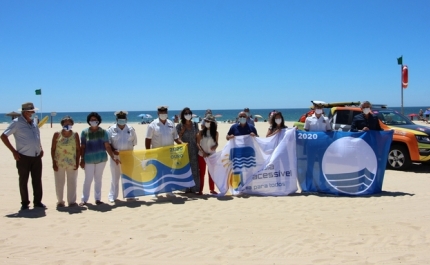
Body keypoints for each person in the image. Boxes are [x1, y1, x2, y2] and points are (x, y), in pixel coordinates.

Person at [1, 102, 46, 210]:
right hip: (23, 157)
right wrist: (14, 152)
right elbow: (3, 136)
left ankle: (38, 201)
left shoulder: (34, 122)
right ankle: (25, 203)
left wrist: (40, 147)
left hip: (36, 156)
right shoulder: (16, 123)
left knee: (37, 180)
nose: (33, 113)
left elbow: (37, 136)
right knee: (23, 180)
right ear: (25, 112)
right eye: (31, 111)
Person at [79, 112, 118, 206]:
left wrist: (113, 157)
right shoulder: (84, 132)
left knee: (98, 179)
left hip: (101, 159)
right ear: (89, 121)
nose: (93, 121)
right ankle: (84, 199)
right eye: (91, 120)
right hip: (88, 160)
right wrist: (82, 159)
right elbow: (82, 147)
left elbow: (107, 146)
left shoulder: (103, 132)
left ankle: (97, 199)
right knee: (88, 180)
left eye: (95, 120)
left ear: (98, 121)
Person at [107, 111, 137, 203]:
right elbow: (108, 143)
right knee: (115, 177)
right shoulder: (111, 130)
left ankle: (130, 195)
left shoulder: (131, 129)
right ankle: (113, 196)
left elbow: (134, 142)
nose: (121, 120)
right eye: (120, 119)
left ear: (126, 119)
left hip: (128, 156)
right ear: (116, 119)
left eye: (123, 118)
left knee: (129, 176)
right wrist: (113, 152)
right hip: (116, 157)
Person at [51, 116, 80, 207]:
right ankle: (60, 201)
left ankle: (71, 201)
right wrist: (54, 163)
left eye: (69, 123)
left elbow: (78, 149)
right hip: (59, 162)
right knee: (59, 182)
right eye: (65, 123)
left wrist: (77, 161)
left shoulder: (75, 135)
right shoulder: (57, 134)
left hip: (72, 162)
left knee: (72, 182)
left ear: (72, 124)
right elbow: (53, 149)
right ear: (62, 124)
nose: (67, 125)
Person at [176, 107, 200, 194]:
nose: (188, 115)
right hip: (184, 150)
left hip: (194, 149)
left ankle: (194, 188)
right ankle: (185, 188)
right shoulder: (179, 126)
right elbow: (177, 139)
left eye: (189, 113)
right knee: (185, 169)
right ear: (183, 115)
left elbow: (198, 137)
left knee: (194, 169)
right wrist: (182, 132)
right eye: (186, 113)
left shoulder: (195, 124)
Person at [197, 114, 218, 195]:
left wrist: (215, 146)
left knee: (211, 172)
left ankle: (212, 189)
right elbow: (198, 144)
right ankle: (200, 190)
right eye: (205, 121)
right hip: (202, 155)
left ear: (212, 123)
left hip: (212, 156)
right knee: (202, 173)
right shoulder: (201, 132)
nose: (207, 122)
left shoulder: (215, 133)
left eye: (208, 121)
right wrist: (203, 152)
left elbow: (216, 143)